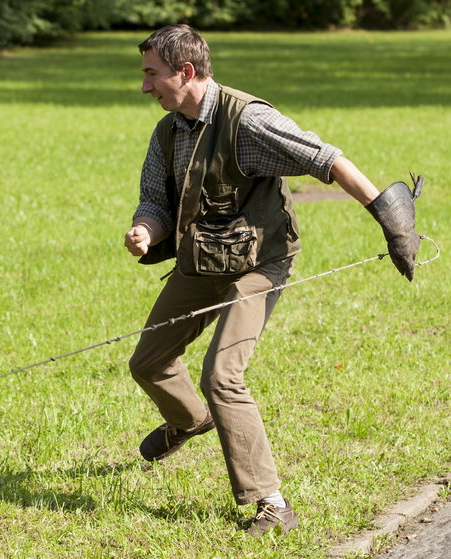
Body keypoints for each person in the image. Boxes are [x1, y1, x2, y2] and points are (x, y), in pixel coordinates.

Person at [125, 24, 420, 537]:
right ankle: (191, 422)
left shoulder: (248, 121)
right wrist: (145, 231)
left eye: (152, 74)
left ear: (186, 71)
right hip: (202, 260)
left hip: (260, 263)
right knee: (147, 362)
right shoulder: (168, 131)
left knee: (222, 375)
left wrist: (391, 217)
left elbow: (325, 159)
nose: (145, 86)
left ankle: (271, 503)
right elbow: (156, 199)